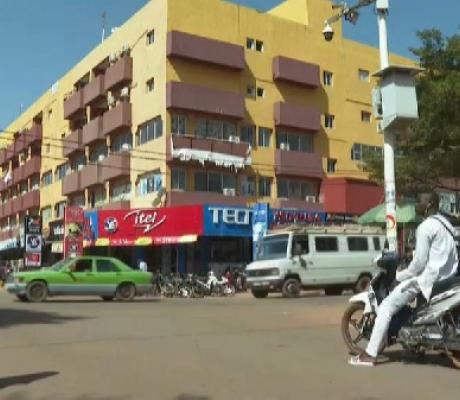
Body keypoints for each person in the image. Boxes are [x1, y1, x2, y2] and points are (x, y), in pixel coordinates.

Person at [349, 192, 458, 367]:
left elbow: (418, 264)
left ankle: (369, 354)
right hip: (446, 277)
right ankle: (417, 346)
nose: (416, 204)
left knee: (385, 308)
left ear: (429, 204)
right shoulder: (445, 224)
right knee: (416, 308)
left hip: (428, 279)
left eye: (419, 201)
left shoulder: (426, 227)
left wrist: (398, 277)